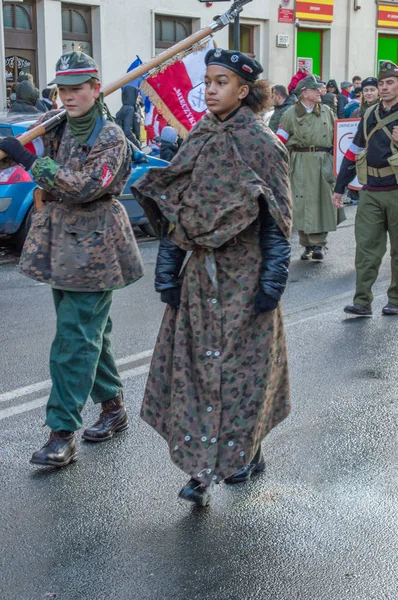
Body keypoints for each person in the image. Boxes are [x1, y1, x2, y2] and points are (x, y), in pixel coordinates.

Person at [133, 49, 292, 507]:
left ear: (244, 91)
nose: (211, 89)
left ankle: (245, 450)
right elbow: (174, 208)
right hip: (200, 277)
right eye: (208, 80)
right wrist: (168, 273)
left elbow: (278, 221)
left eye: (221, 82)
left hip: (245, 278)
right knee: (198, 374)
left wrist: (272, 282)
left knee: (243, 376)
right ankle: (202, 470)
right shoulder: (197, 138)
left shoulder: (264, 145)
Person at [0, 51, 144, 466]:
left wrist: (29, 159)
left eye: (78, 88)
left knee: (73, 340)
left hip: (96, 247)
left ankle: (62, 431)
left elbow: (84, 186)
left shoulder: (110, 136)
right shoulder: (57, 126)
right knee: (88, 333)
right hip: (62, 245)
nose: (69, 97)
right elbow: (22, 152)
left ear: (96, 88)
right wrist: (14, 145)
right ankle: (113, 407)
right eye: (63, 89)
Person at [332, 61, 398, 317]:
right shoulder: (370, 114)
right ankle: (362, 301)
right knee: (366, 249)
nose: (384, 87)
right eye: (381, 84)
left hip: (396, 190)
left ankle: (395, 299)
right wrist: (340, 188)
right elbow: (354, 150)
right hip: (370, 190)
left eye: (390, 82)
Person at [277, 75, 344, 261]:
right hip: (299, 163)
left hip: (323, 161)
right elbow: (279, 141)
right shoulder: (289, 114)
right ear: (304, 93)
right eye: (316, 89)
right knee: (300, 203)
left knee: (322, 202)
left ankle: (319, 245)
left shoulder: (327, 111)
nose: (320, 92)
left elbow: (338, 136)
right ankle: (306, 244)